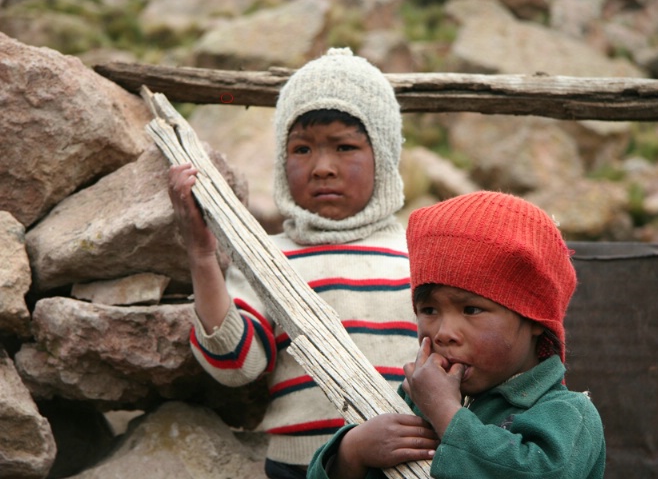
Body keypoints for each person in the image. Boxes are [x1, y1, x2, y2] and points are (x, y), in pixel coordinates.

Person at [167, 48, 418, 478]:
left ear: (385, 153)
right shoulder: (266, 257)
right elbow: (236, 364)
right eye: (302, 149)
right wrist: (203, 254)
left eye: (344, 147)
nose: (322, 167)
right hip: (301, 466)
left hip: (410, 466)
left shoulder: (420, 254)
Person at [307, 191, 607, 479]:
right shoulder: (417, 398)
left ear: (535, 319)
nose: (444, 333)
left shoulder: (567, 415)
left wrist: (447, 415)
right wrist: (351, 454)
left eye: (471, 310)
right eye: (428, 310)